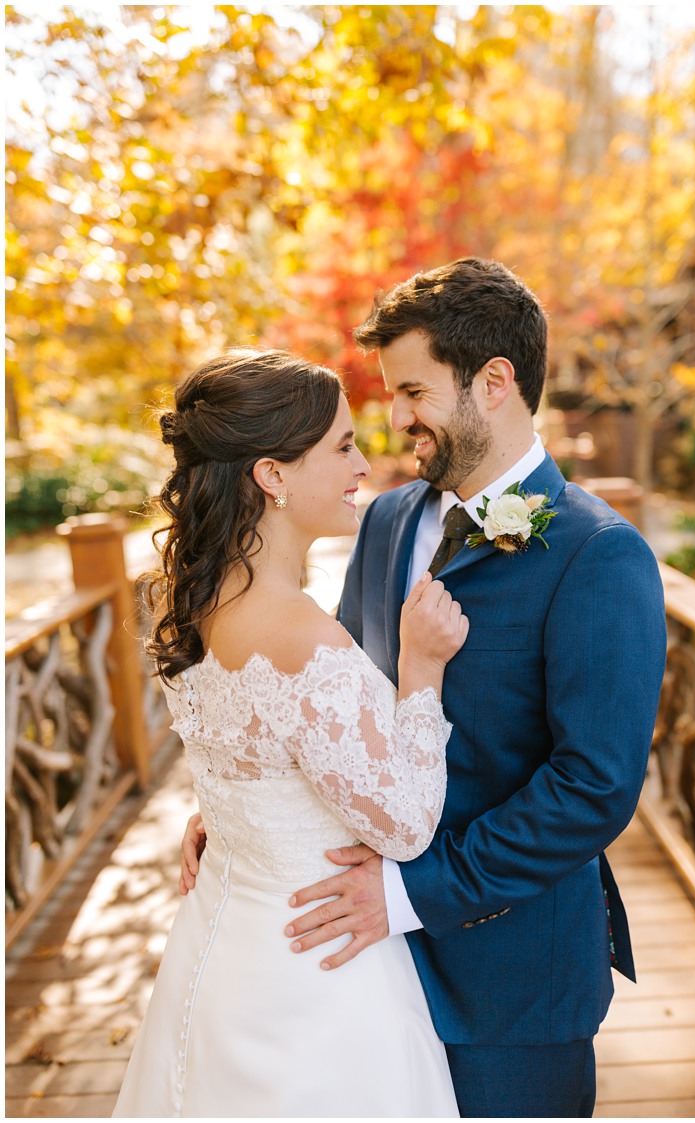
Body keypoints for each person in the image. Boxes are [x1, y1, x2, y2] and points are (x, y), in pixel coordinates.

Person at [175, 257, 668, 1117]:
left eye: (412, 391)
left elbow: (593, 786)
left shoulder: (600, 553)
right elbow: (321, 700)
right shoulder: (390, 519)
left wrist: (406, 894)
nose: (395, 418)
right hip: (357, 976)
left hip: (506, 981)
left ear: (494, 382)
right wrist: (244, 799)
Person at [114, 349, 468, 1116]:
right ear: (272, 476)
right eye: (342, 446)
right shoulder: (303, 637)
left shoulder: (192, 604)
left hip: (224, 946)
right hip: (319, 971)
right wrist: (422, 672)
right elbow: (406, 827)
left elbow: (250, 755)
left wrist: (223, 813)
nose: (365, 463)